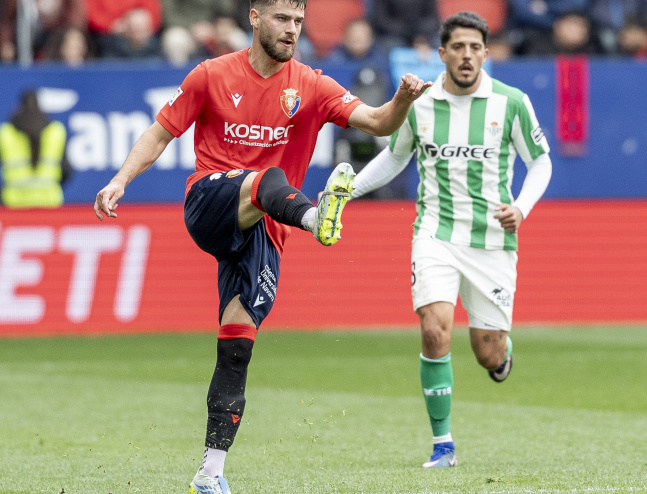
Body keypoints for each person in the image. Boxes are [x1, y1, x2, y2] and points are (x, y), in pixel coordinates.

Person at [92, 0, 430, 492]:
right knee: (264, 178)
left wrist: (402, 97)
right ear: (255, 18)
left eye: (298, 21)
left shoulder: (312, 84)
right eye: (281, 19)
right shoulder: (210, 75)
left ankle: (210, 473)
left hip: (265, 229)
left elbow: (379, 122)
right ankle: (317, 218)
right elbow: (160, 132)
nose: (291, 30)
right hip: (211, 201)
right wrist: (121, 179)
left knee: (237, 347)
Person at [351, 11, 552, 468]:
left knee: (488, 351)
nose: (466, 56)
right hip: (435, 233)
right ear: (442, 54)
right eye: (457, 47)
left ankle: (500, 355)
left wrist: (521, 206)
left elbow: (541, 162)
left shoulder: (511, 102)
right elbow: (394, 159)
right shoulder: (419, 105)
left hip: (491, 240)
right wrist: (346, 192)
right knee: (434, 328)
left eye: (475, 47)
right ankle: (443, 444)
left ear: (486, 52)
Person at [0, 89, 71, 208]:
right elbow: (66, 169)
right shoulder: (56, 131)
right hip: (49, 202)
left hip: (14, 203)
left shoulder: (6, 133)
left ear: (20, 106)